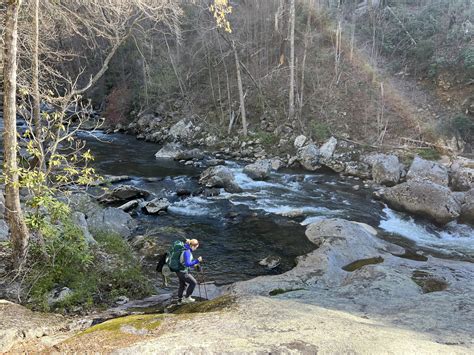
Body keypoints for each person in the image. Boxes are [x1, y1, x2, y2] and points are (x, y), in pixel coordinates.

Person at [176, 238, 202, 304]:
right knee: (193, 282)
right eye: (196, 247)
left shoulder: (186, 247)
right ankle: (187, 298)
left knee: (182, 285)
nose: (196, 249)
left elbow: (187, 262)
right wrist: (197, 260)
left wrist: (195, 265)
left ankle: (179, 300)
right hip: (182, 272)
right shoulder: (187, 252)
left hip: (179, 270)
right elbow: (187, 264)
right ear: (192, 246)